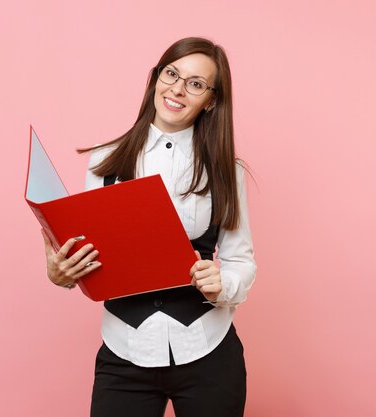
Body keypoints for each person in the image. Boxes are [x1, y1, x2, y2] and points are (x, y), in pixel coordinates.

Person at [41, 37, 256, 417]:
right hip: (125, 350)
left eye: (195, 83)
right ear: (156, 78)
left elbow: (241, 260)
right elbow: (90, 253)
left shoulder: (227, 171)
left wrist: (225, 283)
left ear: (211, 100)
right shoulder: (103, 161)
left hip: (208, 349)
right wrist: (63, 274)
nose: (177, 88)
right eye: (171, 74)